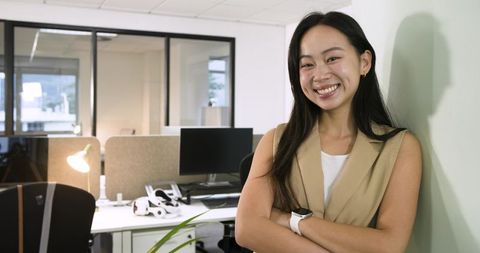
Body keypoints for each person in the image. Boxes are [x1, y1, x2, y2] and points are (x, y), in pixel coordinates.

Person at [235, 11, 422, 253]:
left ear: (364, 62)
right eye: (307, 64)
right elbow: (247, 229)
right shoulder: (278, 140)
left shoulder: (400, 147)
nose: (320, 75)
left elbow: (389, 246)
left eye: (332, 58)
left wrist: (293, 220)